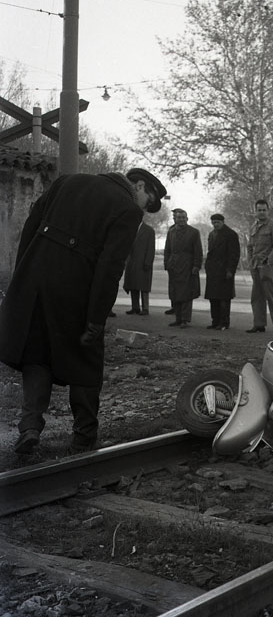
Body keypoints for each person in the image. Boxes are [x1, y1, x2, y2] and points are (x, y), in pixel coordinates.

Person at [0, 168, 167, 454]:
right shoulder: (128, 210)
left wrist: (23, 275)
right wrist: (96, 318)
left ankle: (30, 426)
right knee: (85, 360)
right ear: (139, 186)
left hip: (35, 279)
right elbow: (110, 266)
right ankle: (84, 437)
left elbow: (31, 225)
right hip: (76, 288)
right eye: (147, 202)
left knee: (35, 353)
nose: (143, 209)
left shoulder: (68, 181)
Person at [246, 199, 273, 333]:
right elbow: (250, 246)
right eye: (259, 210)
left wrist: (269, 261)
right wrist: (250, 261)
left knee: (271, 294)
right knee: (257, 296)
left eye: (264, 210)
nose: (262, 212)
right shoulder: (253, 227)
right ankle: (259, 324)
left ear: (268, 211)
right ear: (255, 211)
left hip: (268, 266)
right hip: (255, 266)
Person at [164, 209, 202, 329]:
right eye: (179, 218)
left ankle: (185, 319)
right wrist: (167, 263)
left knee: (186, 293)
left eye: (183, 218)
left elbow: (198, 251)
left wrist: (196, 265)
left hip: (187, 266)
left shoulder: (194, 232)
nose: (181, 220)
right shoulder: (171, 232)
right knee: (175, 293)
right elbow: (167, 249)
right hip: (174, 266)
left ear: (187, 219)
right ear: (175, 219)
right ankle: (178, 318)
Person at [204, 214, 241, 330]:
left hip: (224, 270)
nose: (215, 224)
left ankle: (224, 322)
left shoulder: (231, 234)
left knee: (224, 298)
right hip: (213, 270)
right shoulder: (212, 234)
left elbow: (234, 254)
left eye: (217, 222)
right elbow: (210, 252)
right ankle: (215, 321)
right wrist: (207, 266)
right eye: (213, 222)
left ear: (223, 222)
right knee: (213, 298)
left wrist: (230, 270)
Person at [123, 220, 156, 315]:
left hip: (143, 262)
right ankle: (135, 307)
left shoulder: (149, 230)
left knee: (144, 286)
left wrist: (148, 262)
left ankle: (145, 308)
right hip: (131, 262)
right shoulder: (130, 229)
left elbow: (151, 248)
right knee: (133, 285)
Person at [164, 208, 182, 316]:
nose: (175, 218)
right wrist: (166, 262)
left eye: (176, 216)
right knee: (172, 286)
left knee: (181, 287)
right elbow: (167, 248)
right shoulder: (171, 229)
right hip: (172, 263)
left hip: (182, 264)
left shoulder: (188, 230)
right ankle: (174, 306)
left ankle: (181, 308)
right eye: (174, 217)